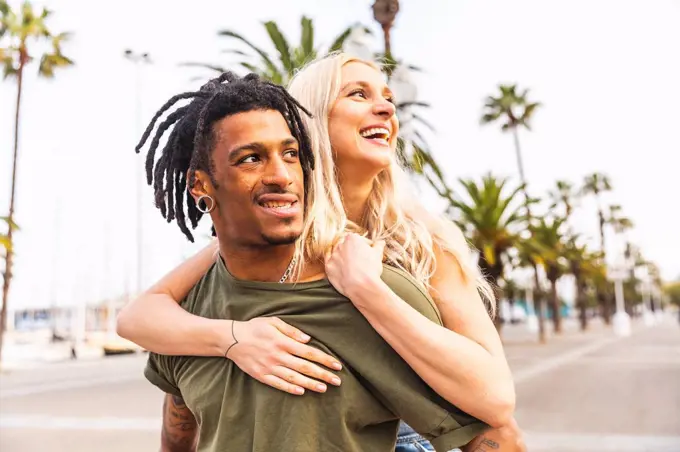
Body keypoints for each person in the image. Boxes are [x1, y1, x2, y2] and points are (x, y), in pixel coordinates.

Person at [118, 53, 524, 451]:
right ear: (310, 120)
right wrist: (235, 338)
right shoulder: (275, 236)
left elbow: (496, 400)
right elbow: (142, 315)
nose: (384, 107)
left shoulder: (421, 242)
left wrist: (368, 290)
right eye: (358, 94)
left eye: (387, 98)